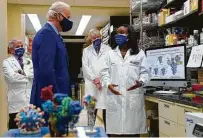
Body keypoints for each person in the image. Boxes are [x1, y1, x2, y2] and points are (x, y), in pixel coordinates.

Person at [100, 25, 150, 137]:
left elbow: (145, 73)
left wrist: (140, 82)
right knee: (115, 134)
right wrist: (108, 84)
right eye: (117, 33)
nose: (118, 36)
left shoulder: (139, 53)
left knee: (132, 134)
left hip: (132, 98)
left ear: (129, 35)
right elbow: (104, 73)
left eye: (122, 32)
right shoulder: (110, 54)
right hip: (115, 99)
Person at [30, 1, 72, 108]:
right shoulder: (47, 34)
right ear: (57, 16)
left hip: (56, 94)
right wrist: (56, 97)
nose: (69, 21)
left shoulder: (55, 35)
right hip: (51, 98)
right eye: (68, 17)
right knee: (51, 124)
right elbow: (47, 70)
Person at [82, 29, 111, 130]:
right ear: (90, 39)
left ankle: (108, 133)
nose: (96, 39)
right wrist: (95, 79)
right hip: (91, 84)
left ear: (101, 37)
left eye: (98, 37)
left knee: (106, 109)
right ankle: (90, 130)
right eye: (94, 38)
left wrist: (101, 80)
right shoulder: (86, 51)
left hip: (104, 83)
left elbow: (110, 66)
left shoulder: (108, 50)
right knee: (91, 108)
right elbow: (85, 67)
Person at [2, 39, 33, 129]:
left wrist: (22, 75)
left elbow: (34, 74)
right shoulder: (7, 62)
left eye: (22, 46)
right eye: (17, 46)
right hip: (16, 103)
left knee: (30, 128)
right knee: (15, 129)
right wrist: (27, 77)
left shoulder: (29, 61)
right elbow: (11, 78)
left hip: (29, 100)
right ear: (11, 50)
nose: (20, 48)